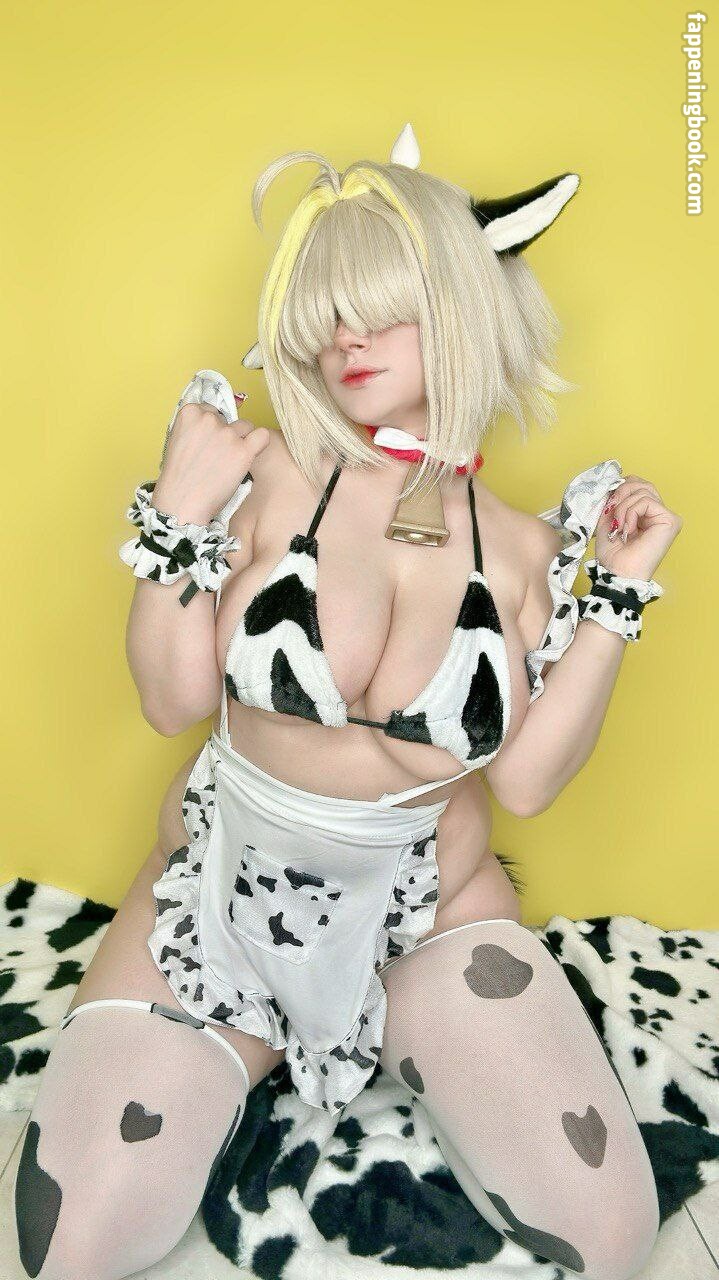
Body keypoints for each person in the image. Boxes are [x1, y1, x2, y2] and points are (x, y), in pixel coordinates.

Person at [14, 123, 682, 1280]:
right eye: (325, 312)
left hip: (422, 917)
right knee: (64, 1243)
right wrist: (178, 511)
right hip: (214, 906)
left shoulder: (528, 549)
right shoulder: (264, 474)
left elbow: (525, 780)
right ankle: (233, 1053)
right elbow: (171, 700)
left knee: (607, 1231)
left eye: (381, 308)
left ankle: (349, 1042)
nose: (345, 338)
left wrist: (615, 596)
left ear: (464, 308)